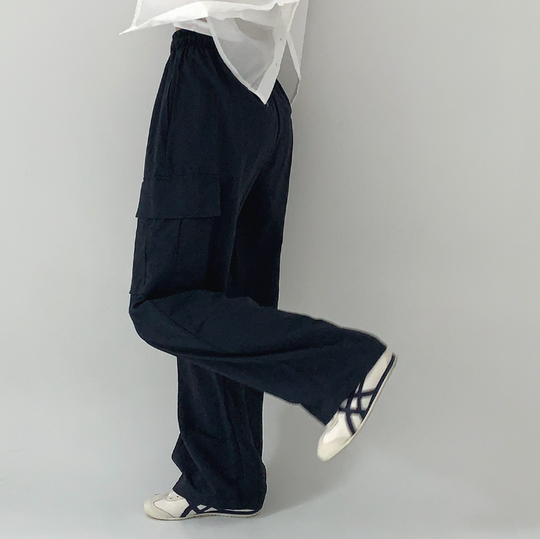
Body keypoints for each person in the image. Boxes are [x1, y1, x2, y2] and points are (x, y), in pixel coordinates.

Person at [120, 4, 398, 522]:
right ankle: (228, 480)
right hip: (263, 94)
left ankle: (343, 366)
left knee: (165, 300)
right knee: (221, 297)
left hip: (209, 79)